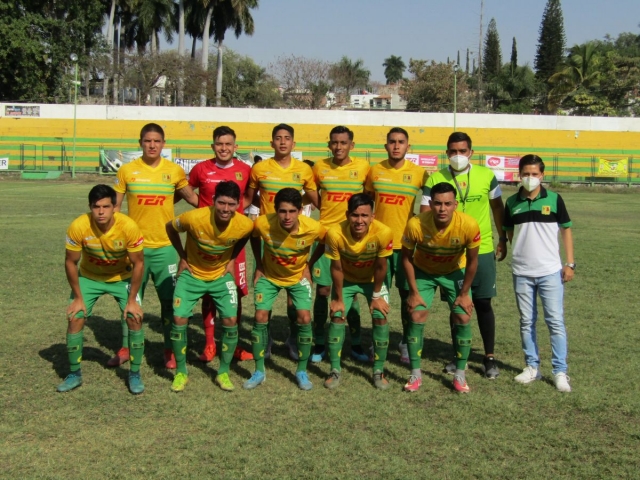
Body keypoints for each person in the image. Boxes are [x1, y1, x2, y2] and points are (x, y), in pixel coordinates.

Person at [420, 131, 505, 379]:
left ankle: (489, 358)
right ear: (446, 153)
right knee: (457, 304)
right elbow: (426, 211)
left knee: (483, 302)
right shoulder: (436, 178)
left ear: (471, 152)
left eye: (462, 151)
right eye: (453, 151)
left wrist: (503, 238)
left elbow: (497, 208)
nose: (458, 156)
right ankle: (460, 357)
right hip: (451, 252)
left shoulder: (486, 176)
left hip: (483, 247)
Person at [113, 123, 199, 369]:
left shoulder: (174, 171)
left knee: (170, 302)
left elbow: (193, 199)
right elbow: (116, 208)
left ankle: (170, 349)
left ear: (163, 143)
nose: (152, 145)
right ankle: (126, 347)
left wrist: (219, 209)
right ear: (140, 142)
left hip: (166, 249)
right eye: (147, 141)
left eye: (157, 141)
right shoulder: (127, 171)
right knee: (130, 300)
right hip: (135, 249)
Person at [165, 181, 254, 392]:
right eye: (221, 203)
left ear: (238, 204)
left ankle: (223, 372)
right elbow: (170, 227)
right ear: (213, 201)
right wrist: (182, 256)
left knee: (231, 319)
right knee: (179, 318)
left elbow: (246, 237)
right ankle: (181, 372)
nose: (225, 209)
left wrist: (232, 258)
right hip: (192, 274)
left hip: (220, 276)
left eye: (231, 204)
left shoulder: (245, 224)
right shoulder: (193, 218)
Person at [58, 184, 145, 394]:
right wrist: (78, 297)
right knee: (75, 316)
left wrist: (132, 299)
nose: (101, 212)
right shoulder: (79, 226)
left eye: (106, 206)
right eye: (96, 207)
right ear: (90, 207)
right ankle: (74, 374)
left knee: (135, 317)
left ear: (115, 207)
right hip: (90, 278)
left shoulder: (129, 227)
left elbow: (139, 263)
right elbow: (70, 262)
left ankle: (134, 374)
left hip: (121, 278)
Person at [245, 124, 319, 359]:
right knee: (267, 288)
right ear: (272, 143)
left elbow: (315, 198)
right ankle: (265, 342)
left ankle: (293, 338)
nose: (283, 142)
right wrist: (266, 214)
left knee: (293, 295)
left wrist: (296, 207)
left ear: (294, 143)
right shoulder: (260, 169)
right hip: (270, 234)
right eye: (278, 138)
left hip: (295, 235)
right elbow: (249, 197)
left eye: (287, 138)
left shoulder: (304, 170)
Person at [503, 154, 575, 393]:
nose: (530, 178)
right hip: (522, 272)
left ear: (542, 175)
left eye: (534, 174)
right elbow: (510, 231)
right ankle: (532, 366)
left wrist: (570, 263)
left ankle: (560, 371)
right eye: (526, 174)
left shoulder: (554, 199)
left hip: (550, 272)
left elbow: (566, 230)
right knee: (526, 321)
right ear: (519, 175)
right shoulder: (512, 202)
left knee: (555, 322)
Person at [401, 182, 481, 394]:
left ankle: (460, 375)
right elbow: (406, 258)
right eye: (437, 203)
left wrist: (464, 294)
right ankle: (415, 374)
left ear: (455, 204)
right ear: (430, 203)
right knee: (417, 314)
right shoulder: (416, 224)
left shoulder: (469, 225)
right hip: (423, 272)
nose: (442, 208)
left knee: (463, 316)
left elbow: (473, 262)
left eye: (447, 203)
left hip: (453, 271)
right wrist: (414, 292)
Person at [244, 188, 326, 391]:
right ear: (275, 210)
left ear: (300, 210)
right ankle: (259, 370)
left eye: (291, 211)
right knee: (260, 316)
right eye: (282, 211)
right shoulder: (263, 223)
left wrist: (309, 263)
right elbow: (254, 236)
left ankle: (301, 371)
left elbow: (324, 242)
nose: (287, 216)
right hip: (269, 277)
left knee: (304, 318)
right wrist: (259, 263)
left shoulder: (314, 227)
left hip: (297, 277)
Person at [187, 126, 253, 363]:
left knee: (235, 293)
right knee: (208, 293)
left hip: (234, 244)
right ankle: (209, 344)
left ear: (236, 147)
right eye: (219, 144)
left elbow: (247, 198)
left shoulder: (245, 170)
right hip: (206, 243)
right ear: (213, 146)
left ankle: (232, 344)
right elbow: (188, 190)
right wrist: (201, 206)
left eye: (228, 144)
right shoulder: (201, 169)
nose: (223, 148)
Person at [364, 127, 428, 364]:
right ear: (386, 146)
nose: (396, 146)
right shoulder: (375, 171)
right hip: (380, 245)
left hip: (406, 246)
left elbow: (432, 200)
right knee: (379, 293)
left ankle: (404, 342)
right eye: (392, 142)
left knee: (406, 294)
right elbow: (367, 203)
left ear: (408, 147)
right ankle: (378, 341)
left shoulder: (420, 173)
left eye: (401, 142)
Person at [311, 126, 371, 363]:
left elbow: (368, 200)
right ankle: (319, 342)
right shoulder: (319, 167)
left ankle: (355, 343)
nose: (339, 147)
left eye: (343, 143)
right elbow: (311, 193)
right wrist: (325, 211)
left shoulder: (364, 169)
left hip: (352, 242)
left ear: (352, 145)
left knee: (351, 294)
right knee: (324, 291)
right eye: (334, 142)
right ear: (329, 144)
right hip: (326, 239)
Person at [323, 193, 394, 390]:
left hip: (373, 280)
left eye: (365, 216)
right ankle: (335, 370)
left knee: (380, 315)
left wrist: (377, 296)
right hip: (347, 279)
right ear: (347, 215)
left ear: (373, 216)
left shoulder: (383, 232)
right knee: (337, 314)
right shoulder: (335, 233)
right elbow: (336, 269)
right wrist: (338, 298)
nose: (359, 221)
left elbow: (381, 267)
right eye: (355, 215)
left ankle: (379, 371)